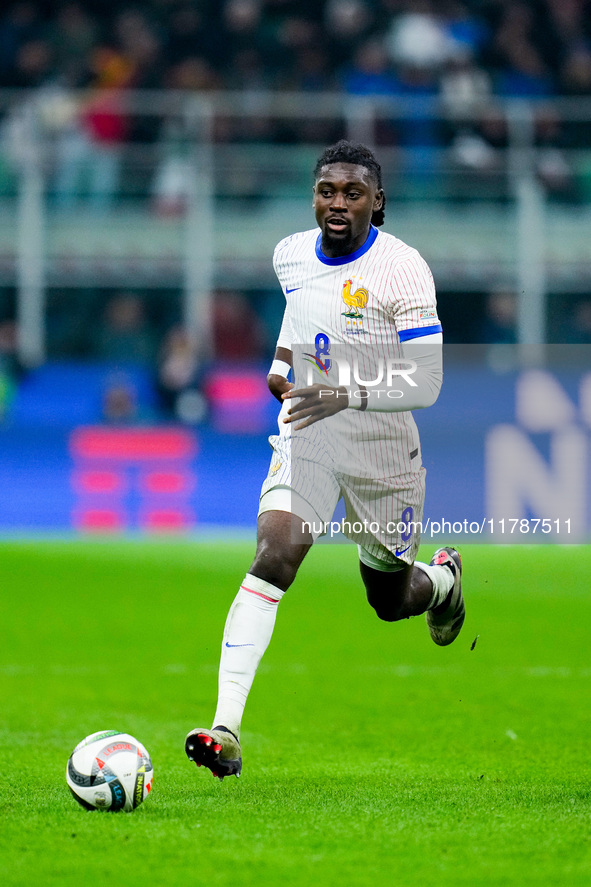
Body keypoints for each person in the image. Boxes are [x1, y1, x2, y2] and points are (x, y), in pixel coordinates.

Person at [185, 140, 465, 780]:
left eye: (352, 193)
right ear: (314, 195)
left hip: (383, 445)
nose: (337, 204)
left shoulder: (403, 270)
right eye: (327, 192)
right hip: (308, 429)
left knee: (389, 598)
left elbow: (428, 381)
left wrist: (345, 391)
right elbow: (298, 316)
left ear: (377, 202)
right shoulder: (289, 254)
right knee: (275, 553)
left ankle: (444, 580)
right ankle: (225, 728)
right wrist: (281, 367)